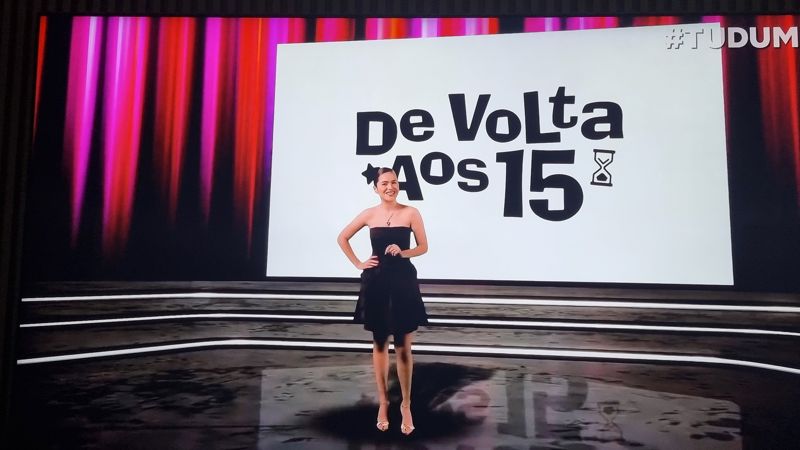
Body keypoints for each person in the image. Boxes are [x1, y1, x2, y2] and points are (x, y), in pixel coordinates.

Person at [337, 167, 429, 435]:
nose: (391, 187)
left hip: (403, 282)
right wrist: (358, 263)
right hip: (376, 282)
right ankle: (384, 403)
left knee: (403, 346)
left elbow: (424, 246)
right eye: (385, 183)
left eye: (394, 182)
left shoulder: (411, 212)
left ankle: (406, 405)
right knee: (379, 343)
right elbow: (342, 237)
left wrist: (403, 251)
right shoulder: (369, 214)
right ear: (375, 187)